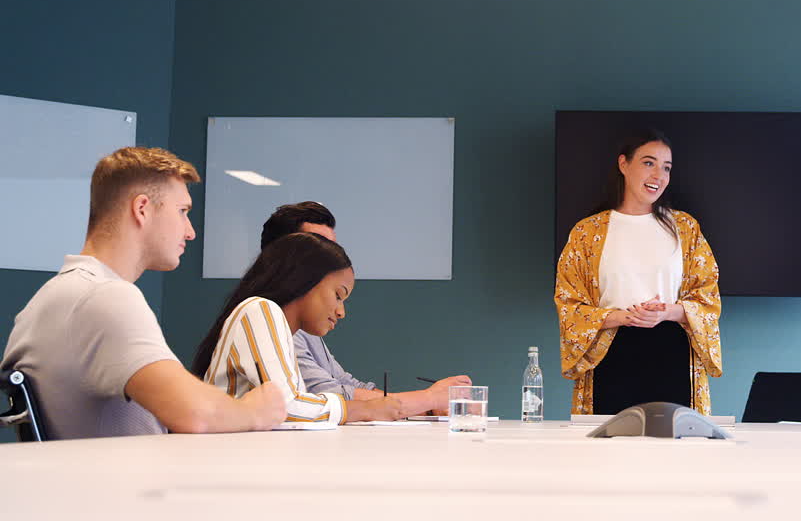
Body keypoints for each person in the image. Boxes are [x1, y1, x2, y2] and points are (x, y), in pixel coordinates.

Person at [2, 147, 285, 439]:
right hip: (117, 483)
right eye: (182, 211)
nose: (190, 232)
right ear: (142, 209)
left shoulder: (47, 301)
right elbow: (195, 413)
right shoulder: (104, 296)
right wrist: (257, 410)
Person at [555, 130, 723, 415]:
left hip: (673, 355)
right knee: (609, 451)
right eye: (648, 163)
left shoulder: (685, 228)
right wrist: (624, 316)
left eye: (666, 167)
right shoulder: (587, 232)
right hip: (610, 356)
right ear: (623, 164)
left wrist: (666, 312)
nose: (659, 174)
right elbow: (569, 303)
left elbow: (708, 298)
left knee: (675, 451)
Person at [261, 202, 469, 415]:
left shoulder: (301, 327)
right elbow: (319, 396)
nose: (341, 312)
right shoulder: (266, 320)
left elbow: (342, 383)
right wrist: (427, 400)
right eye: (318, 248)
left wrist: (425, 407)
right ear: (286, 257)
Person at [192, 232, 403, 425]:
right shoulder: (260, 309)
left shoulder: (278, 327)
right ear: (304, 279)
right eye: (338, 296)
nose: (341, 312)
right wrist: (364, 409)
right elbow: (286, 406)